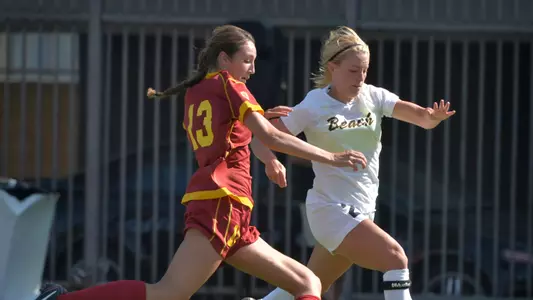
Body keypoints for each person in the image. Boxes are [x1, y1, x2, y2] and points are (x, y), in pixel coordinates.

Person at [34, 25, 369, 300]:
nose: (252, 70)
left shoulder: (197, 91)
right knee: (167, 294)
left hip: (225, 206)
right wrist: (331, 157)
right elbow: (271, 138)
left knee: (307, 283)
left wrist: (258, 121)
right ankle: (59, 299)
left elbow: (228, 133)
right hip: (223, 201)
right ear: (224, 59)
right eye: (247, 61)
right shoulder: (229, 84)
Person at [245, 26, 456, 300]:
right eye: (353, 70)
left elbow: (422, 119)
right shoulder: (314, 104)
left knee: (310, 284)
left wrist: (433, 117)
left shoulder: (374, 96)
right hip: (330, 209)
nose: (361, 77)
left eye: (365, 70)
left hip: (363, 208)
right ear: (333, 67)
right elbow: (260, 139)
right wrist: (272, 163)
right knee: (396, 259)